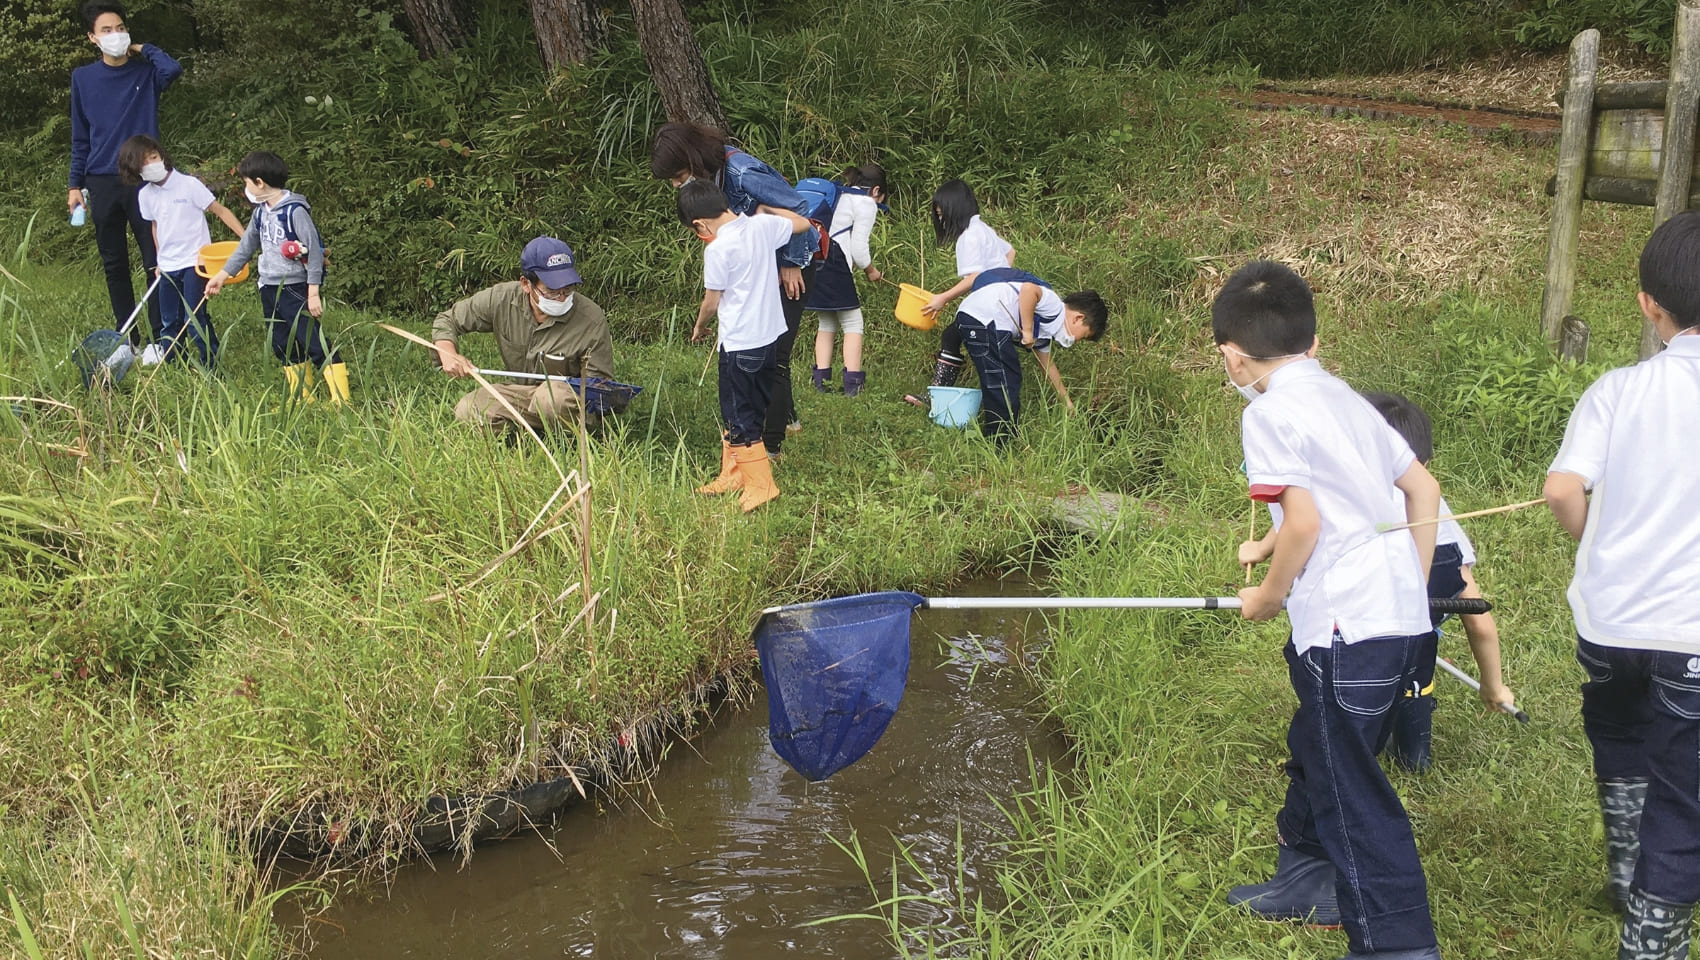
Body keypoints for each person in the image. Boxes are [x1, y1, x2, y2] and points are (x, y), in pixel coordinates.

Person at [1220, 260, 1443, 960]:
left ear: (1233, 355)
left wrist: (1267, 596)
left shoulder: (1270, 412)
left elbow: (1309, 522)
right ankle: (1307, 878)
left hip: (1348, 629)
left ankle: (1397, 946)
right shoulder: (1345, 398)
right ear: (1311, 342)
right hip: (1396, 620)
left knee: (1355, 798)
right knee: (1317, 741)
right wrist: (1409, 583)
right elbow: (1424, 492)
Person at [1544, 211, 1700, 959]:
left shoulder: (1616, 389)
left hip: (1608, 622)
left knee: (1617, 727)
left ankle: (1624, 868)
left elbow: (1562, 489)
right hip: (1692, 636)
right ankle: (1651, 939)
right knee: (1684, 789)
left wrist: (1598, 542)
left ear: (1648, 304)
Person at [1357, 391, 1515, 773]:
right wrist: (1492, 684)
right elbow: (1478, 619)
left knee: (1371, 674)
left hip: (1366, 626)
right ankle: (1414, 757)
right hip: (1427, 617)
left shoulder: (1351, 500)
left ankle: (1357, 744)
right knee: (1416, 662)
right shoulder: (1441, 522)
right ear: (1425, 464)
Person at [651, 123, 821, 459]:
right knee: (760, 353)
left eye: (679, 174)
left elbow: (800, 209)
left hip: (791, 262)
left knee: (775, 352)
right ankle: (783, 419)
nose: (676, 184)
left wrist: (790, 262)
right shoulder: (711, 186)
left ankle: (770, 447)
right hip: (759, 266)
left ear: (694, 158)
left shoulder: (742, 172)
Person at [678, 180, 812, 513]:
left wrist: (699, 326)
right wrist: (766, 208)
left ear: (700, 224)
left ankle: (761, 485)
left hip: (739, 345)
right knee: (747, 407)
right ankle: (733, 473)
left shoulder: (718, 249)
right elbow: (803, 222)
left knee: (739, 415)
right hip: (769, 339)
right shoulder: (762, 226)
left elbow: (712, 301)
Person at [68, 1, 183, 350]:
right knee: (114, 262)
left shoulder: (145, 74)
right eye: (106, 30)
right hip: (101, 180)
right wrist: (75, 184)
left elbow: (173, 69)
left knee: (156, 259)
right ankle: (128, 337)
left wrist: (142, 49)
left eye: (120, 28)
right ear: (92, 37)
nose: (115, 35)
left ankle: (162, 339)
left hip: (144, 178)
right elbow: (80, 135)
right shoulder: (83, 78)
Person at [431, 237, 618, 436]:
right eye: (552, 291)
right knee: (468, 409)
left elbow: (600, 387)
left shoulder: (591, 318)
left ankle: (566, 441)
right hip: (521, 395)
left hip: (566, 401)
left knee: (549, 399)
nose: (562, 298)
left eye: (568, 289)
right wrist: (447, 352)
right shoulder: (501, 298)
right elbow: (448, 320)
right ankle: (523, 435)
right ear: (526, 284)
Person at [203, 151, 347, 405]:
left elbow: (314, 251)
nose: (245, 188)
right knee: (282, 342)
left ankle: (340, 398)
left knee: (312, 339)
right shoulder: (260, 212)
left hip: (294, 287)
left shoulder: (295, 212)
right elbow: (246, 246)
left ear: (260, 183)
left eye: (247, 182)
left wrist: (313, 292)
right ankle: (302, 396)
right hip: (268, 286)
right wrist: (223, 275)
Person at [117, 135, 244, 367]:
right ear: (136, 170)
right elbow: (156, 226)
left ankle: (211, 366)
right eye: (144, 163)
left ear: (162, 156)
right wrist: (158, 261)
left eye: (153, 158)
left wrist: (246, 239)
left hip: (195, 263)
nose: (151, 165)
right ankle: (175, 365)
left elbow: (220, 211)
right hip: (167, 266)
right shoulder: (144, 195)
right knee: (169, 322)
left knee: (195, 319)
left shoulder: (189, 185)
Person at [948, 268, 1106, 443]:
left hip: (977, 317)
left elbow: (1046, 365)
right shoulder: (1055, 306)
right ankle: (999, 441)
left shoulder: (1047, 331)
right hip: (986, 317)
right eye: (1082, 336)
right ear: (1078, 318)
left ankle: (1001, 436)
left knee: (1004, 378)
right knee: (1004, 381)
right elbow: (1030, 290)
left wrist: (1066, 402)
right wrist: (1027, 331)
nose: (1076, 341)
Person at [904, 180, 1016, 405]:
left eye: (942, 214)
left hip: (994, 306)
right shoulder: (983, 228)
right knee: (953, 335)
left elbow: (974, 276)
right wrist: (1003, 277)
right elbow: (1010, 251)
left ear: (955, 208)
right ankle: (938, 395)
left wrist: (942, 299)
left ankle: (937, 397)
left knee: (955, 335)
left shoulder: (969, 236)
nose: (941, 219)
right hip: (1006, 300)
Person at [804, 164, 888, 397]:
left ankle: (822, 382)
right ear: (876, 191)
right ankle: (853, 386)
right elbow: (859, 249)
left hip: (813, 256)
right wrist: (871, 270)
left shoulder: (839, 195)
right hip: (834, 260)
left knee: (827, 322)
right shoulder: (866, 203)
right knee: (853, 322)